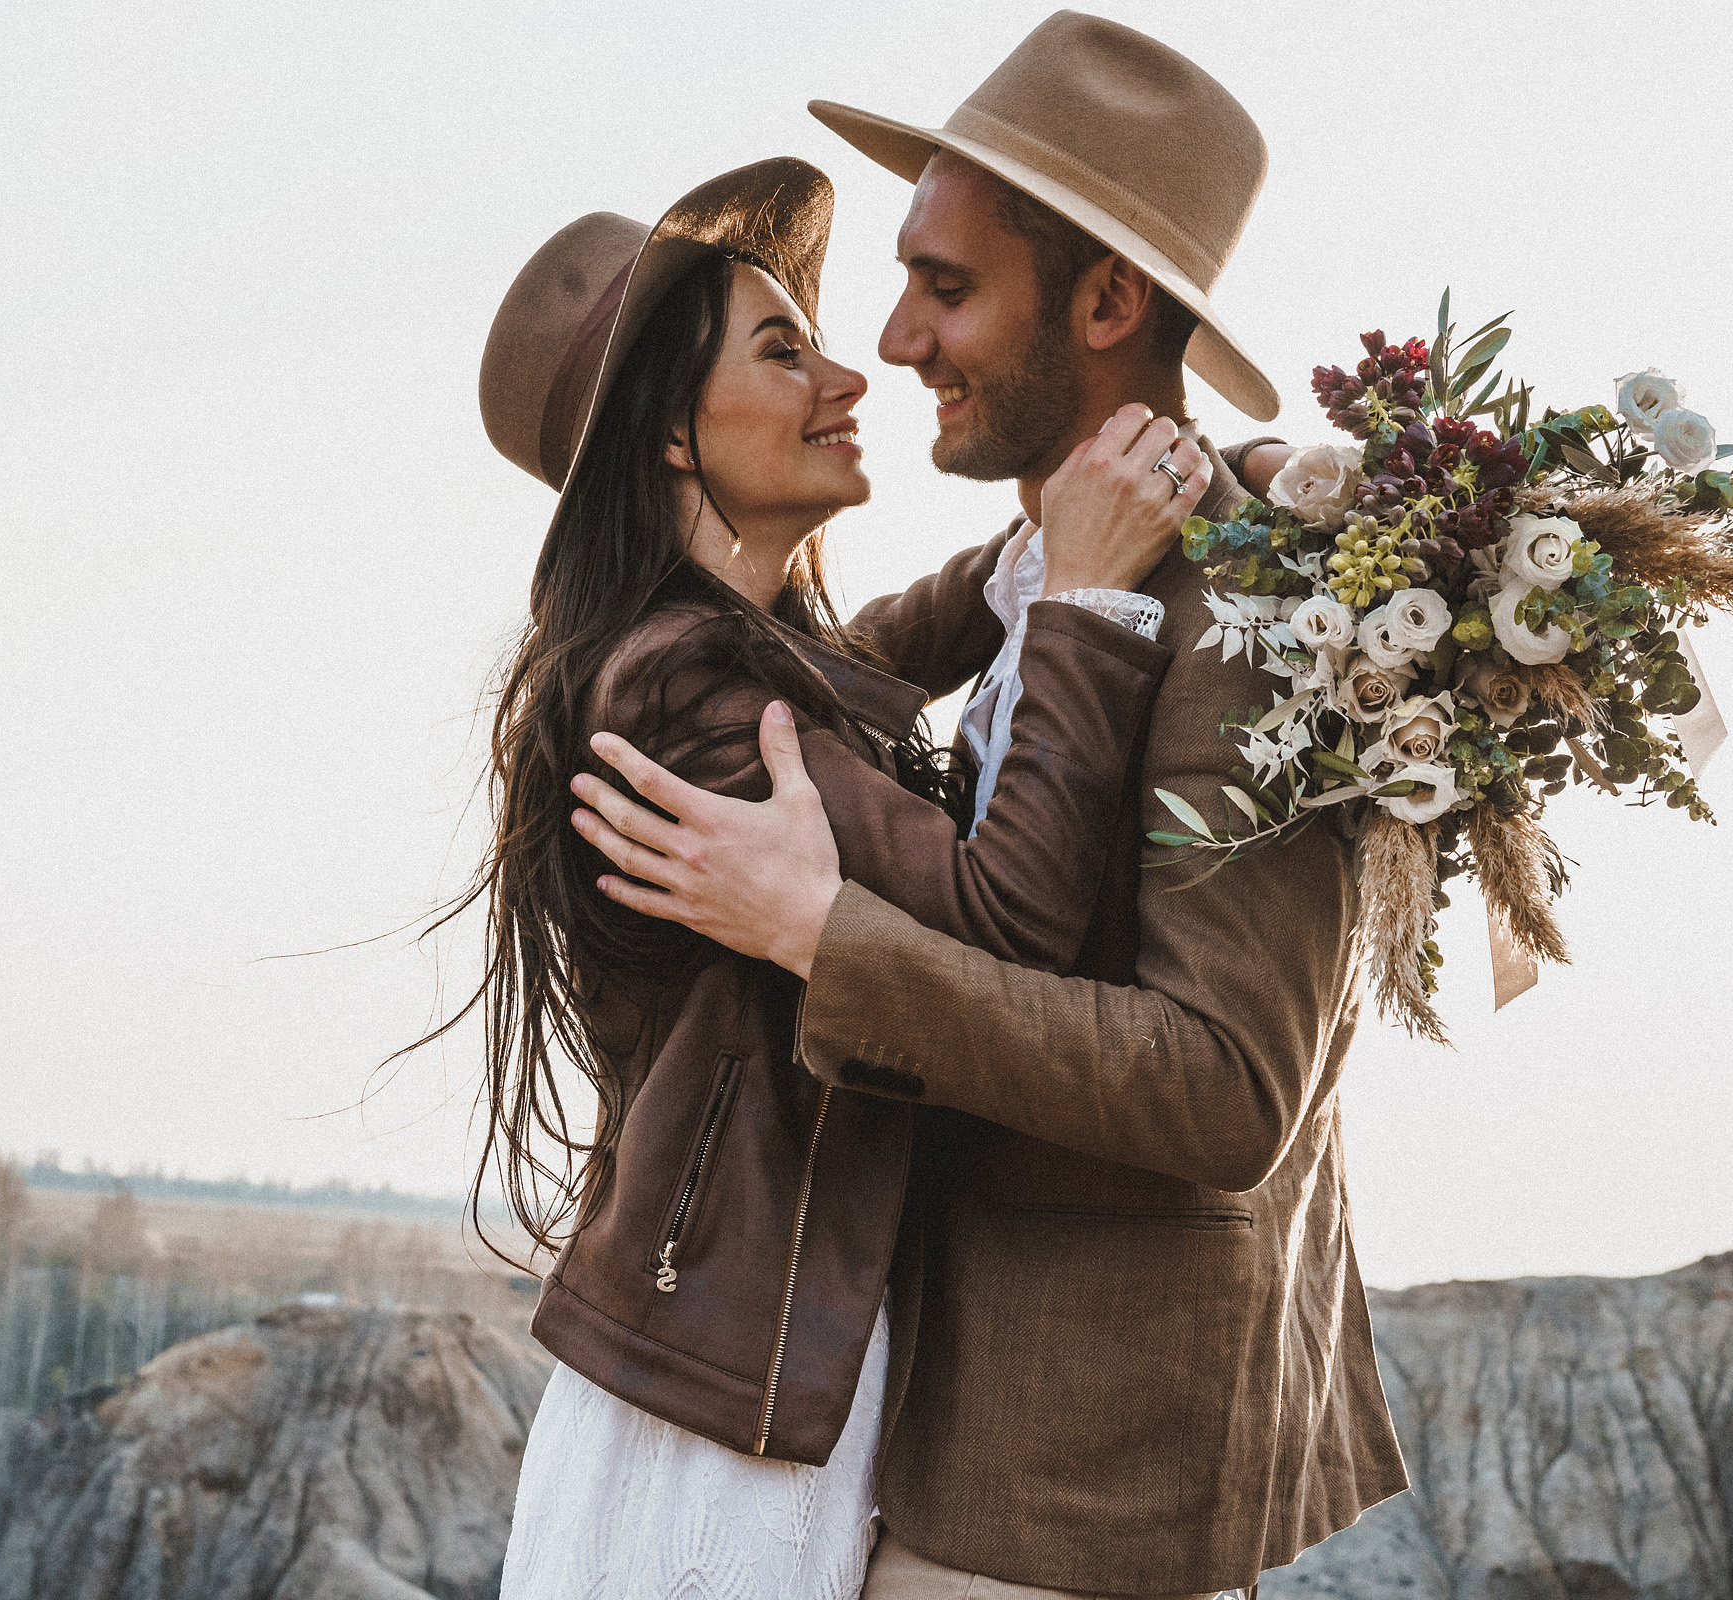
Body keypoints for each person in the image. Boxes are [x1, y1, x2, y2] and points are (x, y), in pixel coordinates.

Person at [567, 14, 1408, 1598]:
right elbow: (821, 676)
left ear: (1107, 301)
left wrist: (822, 935)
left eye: (945, 288)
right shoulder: (1045, 570)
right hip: (933, 1438)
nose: (889, 340)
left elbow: (1229, 1089)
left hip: (1078, 1485)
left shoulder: (1252, 628)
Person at [454, 155, 1249, 1599]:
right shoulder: (693, 702)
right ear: (674, 440)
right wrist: (1083, 599)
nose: (848, 376)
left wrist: (1117, 502)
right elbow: (1004, 921)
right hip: (722, 1434)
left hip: (756, 1378)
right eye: (783, 350)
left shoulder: (716, 656)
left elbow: (886, 646)